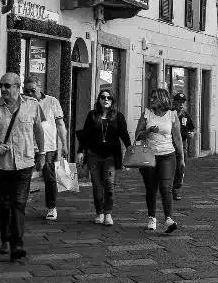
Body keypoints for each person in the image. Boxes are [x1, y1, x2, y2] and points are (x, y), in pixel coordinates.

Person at [0, 72, 45, 261]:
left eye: (7, 85)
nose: (3, 89)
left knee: (19, 203)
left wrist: (42, 153)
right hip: (0, 164)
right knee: (4, 203)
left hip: (24, 162)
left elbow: (38, 130)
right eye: (1, 86)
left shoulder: (32, 105)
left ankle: (17, 245)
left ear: (17, 87)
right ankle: (5, 239)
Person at [77, 89, 131, 226]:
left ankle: (108, 213)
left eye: (109, 98)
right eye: (103, 97)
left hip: (111, 156)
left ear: (112, 101)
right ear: (99, 99)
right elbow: (85, 135)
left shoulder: (118, 116)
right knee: (97, 185)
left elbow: (124, 135)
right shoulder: (92, 115)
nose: (106, 100)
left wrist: (130, 151)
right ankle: (99, 212)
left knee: (109, 185)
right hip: (93, 155)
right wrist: (80, 151)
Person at [136, 89, 184, 233]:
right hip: (148, 156)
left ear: (163, 99)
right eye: (151, 97)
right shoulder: (146, 114)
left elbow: (178, 138)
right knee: (151, 188)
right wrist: (149, 131)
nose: (151, 99)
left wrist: (181, 158)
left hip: (168, 155)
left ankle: (168, 219)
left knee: (165, 187)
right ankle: (152, 217)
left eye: (155, 97)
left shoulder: (172, 115)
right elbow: (137, 136)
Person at [23, 77, 67, 222]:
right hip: (28, 146)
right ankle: (20, 207)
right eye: (26, 90)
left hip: (48, 147)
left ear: (40, 87)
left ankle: (51, 207)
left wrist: (64, 145)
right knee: (23, 178)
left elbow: (60, 124)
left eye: (32, 90)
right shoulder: (22, 102)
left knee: (49, 177)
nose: (29, 93)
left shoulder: (51, 101)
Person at [172, 92, 194, 200]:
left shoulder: (185, 114)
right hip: (170, 143)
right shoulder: (170, 114)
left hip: (182, 144)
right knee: (169, 167)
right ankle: (167, 187)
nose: (181, 104)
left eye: (183, 102)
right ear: (174, 102)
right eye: (179, 102)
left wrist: (191, 133)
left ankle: (175, 189)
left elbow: (191, 128)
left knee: (181, 166)